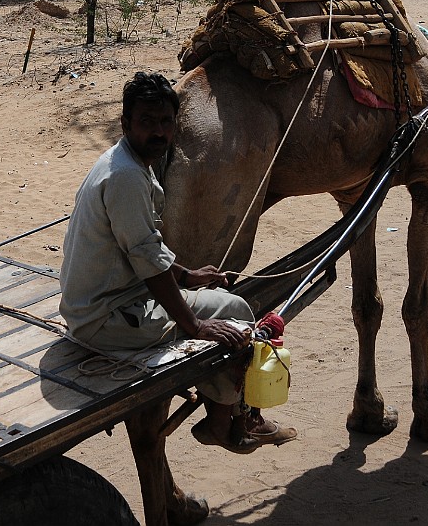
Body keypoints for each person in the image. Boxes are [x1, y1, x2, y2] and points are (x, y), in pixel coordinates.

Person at [59, 71, 297, 453]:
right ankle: (225, 422)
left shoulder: (130, 163)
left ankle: (230, 415)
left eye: (166, 122)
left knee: (236, 306)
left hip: (119, 297)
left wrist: (188, 274)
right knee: (234, 328)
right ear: (126, 124)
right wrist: (196, 325)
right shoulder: (126, 178)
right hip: (104, 317)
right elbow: (148, 262)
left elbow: (146, 248)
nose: (158, 132)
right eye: (147, 123)